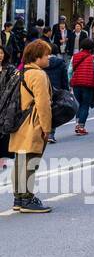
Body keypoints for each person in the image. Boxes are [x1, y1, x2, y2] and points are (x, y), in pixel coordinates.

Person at [10, 41, 55, 213]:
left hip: (20, 122)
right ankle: (27, 200)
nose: (48, 58)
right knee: (31, 161)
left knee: (20, 161)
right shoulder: (38, 74)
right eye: (46, 55)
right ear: (37, 57)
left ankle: (19, 198)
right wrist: (47, 128)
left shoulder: (22, 71)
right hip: (33, 122)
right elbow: (43, 104)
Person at [69, 37, 94, 136]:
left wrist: (70, 81)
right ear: (91, 48)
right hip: (88, 84)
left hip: (76, 84)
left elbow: (69, 71)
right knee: (85, 105)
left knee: (78, 104)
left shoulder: (75, 56)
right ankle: (81, 126)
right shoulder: (92, 58)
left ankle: (77, 123)